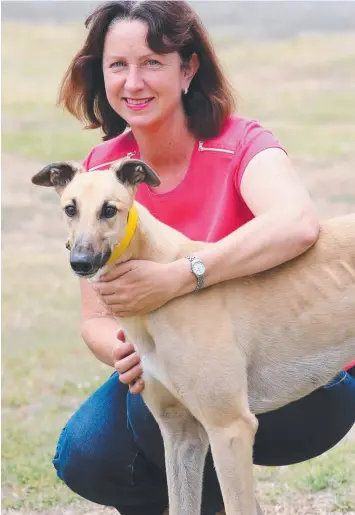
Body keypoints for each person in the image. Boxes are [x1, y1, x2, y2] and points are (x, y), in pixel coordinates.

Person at [53, 2, 355, 514]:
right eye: (117, 65)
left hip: (308, 368)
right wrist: (124, 352)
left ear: (187, 68)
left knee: (174, 401)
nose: (133, 82)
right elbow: (96, 317)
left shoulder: (240, 143)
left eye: (152, 62)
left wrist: (182, 275)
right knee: (90, 452)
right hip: (175, 363)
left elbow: (298, 224)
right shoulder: (101, 173)